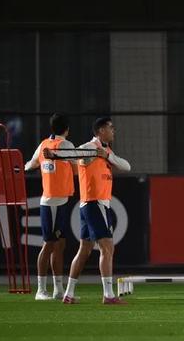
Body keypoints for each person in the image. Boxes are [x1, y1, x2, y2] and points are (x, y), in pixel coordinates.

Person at [47, 117, 131, 305]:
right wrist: (55, 155)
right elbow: (75, 154)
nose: (113, 131)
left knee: (84, 250)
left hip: (90, 205)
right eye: (110, 128)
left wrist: (106, 155)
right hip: (95, 203)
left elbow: (127, 166)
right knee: (107, 247)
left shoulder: (106, 151)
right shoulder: (89, 148)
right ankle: (108, 295)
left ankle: (69, 294)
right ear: (101, 131)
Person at [24, 113, 77, 301]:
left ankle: (58, 290)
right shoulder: (66, 145)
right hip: (52, 202)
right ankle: (40, 290)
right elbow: (78, 165)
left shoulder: (43, 145)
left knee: (60, 245)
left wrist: (20, 168)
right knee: (49, 245)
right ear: (67, 129)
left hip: (59, 201)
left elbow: (30, 165)